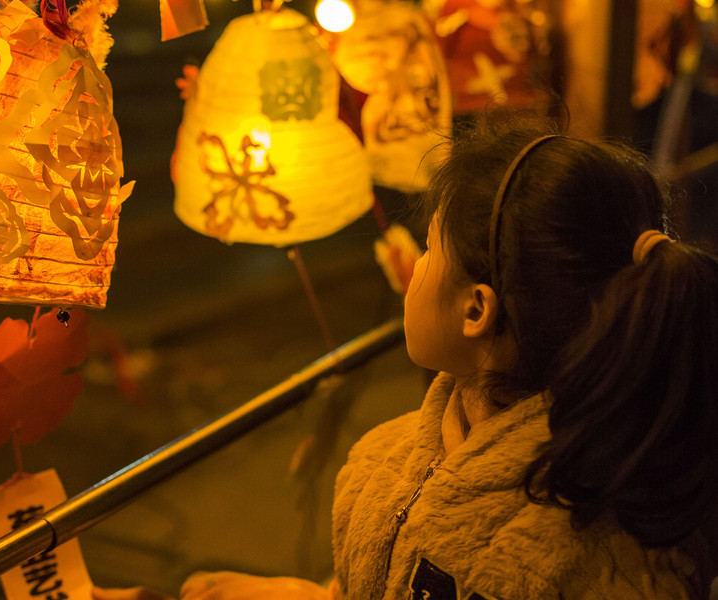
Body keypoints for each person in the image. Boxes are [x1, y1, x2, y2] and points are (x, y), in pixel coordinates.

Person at [96, 113, 718, 600]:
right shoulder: (391, 460)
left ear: (477, 310)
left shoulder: (590, 552)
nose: (415, 266)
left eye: (429, 248)